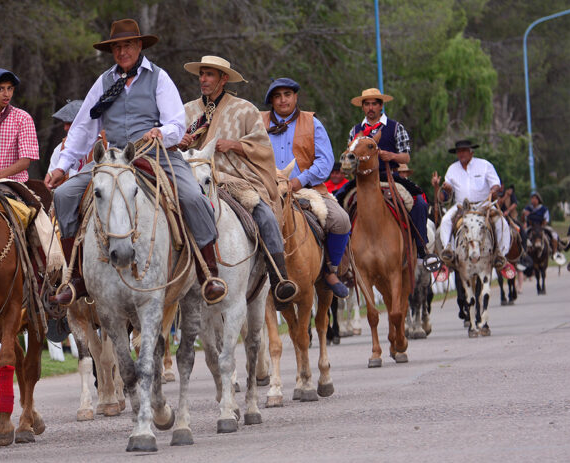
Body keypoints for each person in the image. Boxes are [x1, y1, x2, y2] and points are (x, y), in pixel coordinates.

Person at [45, 20, 225, 305]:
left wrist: (160, 132)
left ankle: (208, 271)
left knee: (193, 196)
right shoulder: (104, 81)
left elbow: (177, 124)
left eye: (127, 45)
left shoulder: (159, 78)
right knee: (64, 195)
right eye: (116, 47)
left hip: (155, 154)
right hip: (114, 159)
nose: (122, 51)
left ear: (139, 46)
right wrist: (61, 166)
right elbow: (83, 127)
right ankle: (76, 276)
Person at [179, 57, 298, 307]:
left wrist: (234, 145)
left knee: (263, 212)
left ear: (223, 79)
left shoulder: (245, 109)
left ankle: (279, 277)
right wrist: (180, 141)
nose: (203, 79)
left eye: (210, 74)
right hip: (194, 179)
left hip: (235, 179)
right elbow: (172, 137)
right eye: (201, 74)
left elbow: (263, 147)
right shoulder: (187, 111)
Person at [260, 77, 350, 298]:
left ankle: (330, 270)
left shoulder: (312, 122)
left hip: (305, 188)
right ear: (272, 101)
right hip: (267, 188)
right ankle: (251, 275)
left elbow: (325, 160)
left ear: (296, 97)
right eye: (277, 96)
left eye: (287, 95)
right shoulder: (258, 122)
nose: (283, 100)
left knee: (341, 220)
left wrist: (300, 180)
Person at [336, 88, 438, 270]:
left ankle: (421, 251)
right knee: (338, 203)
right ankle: (341, 255)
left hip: (389, 176)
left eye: (374, 103)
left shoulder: (395, 127)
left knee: (420, 202)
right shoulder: (355, 131)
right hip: (362, 180)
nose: (370, 107)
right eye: (366, 104)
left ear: (381, 106)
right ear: (362, 107)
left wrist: (391, 156)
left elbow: (406, 157)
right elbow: (350, 158)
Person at [431, 139, 510, 270]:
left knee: (502, 223)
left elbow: (495, 184)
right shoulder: (452, 169)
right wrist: (438, 186)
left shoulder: (485, 165)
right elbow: (443, 196)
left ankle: (501, 254)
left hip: (484, 205)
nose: (461, 154)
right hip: (462, 206)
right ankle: (448, 250)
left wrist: (494, 189)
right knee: (445, 221)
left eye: (464, 151)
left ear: (471, 152)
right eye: (458, 152)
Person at [522, 191, 563, 261]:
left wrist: (539, 224)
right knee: (523, 235)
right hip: (531, 227)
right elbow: (524, 220)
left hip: (542, 226)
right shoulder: (527, 208)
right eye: (532, 198)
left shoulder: (544, 209)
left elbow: (546, 220)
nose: (533, 200)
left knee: (554, 234)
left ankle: (554, 252)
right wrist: (523, 214)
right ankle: (523, 253)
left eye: (535, 198)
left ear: (539, 200)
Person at [49, 100, 84, 173]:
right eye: (64, 123)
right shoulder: (60, 150)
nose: (65, 128)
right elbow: (51, 182)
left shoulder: (105, 144)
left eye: (70, 123)